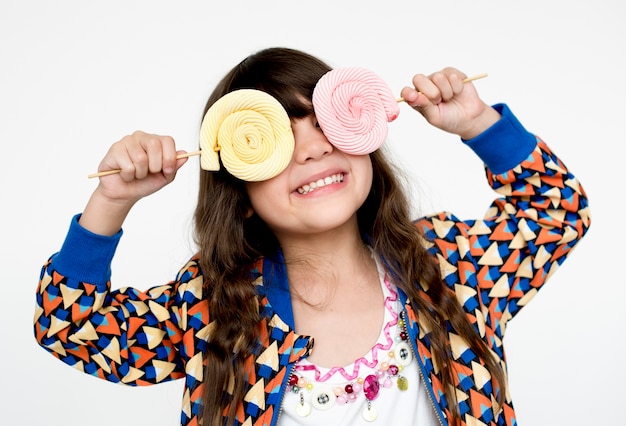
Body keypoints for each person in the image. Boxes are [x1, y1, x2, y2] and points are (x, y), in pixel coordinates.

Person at [34, 47, 591, 426]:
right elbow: (73, 328)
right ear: (241, 194)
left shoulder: (446, 264)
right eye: (271, 141)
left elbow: (558, 211)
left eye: (325, 123)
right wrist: (112, 201)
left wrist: (477, 123)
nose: (313, 148)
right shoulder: (215, 303)